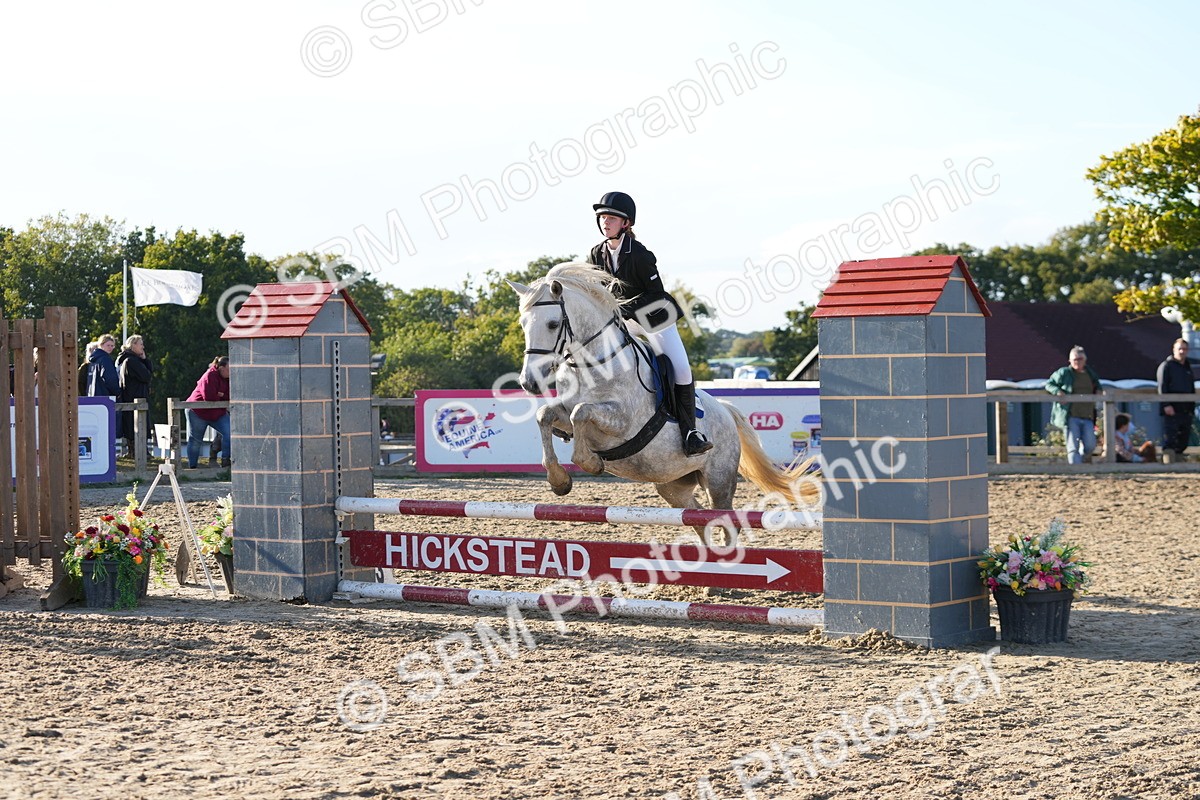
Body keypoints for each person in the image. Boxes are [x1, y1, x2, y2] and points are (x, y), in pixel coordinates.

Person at [585, 191, 713, 456]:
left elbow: (655, 294)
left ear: (626, 223)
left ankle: (691, 433)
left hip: (655, 319)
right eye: (602, 218)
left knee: (681, 370)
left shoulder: (641, 255)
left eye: (611, 218)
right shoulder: (596, 254)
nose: (605, 222)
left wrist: (623, 308)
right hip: (624, 321)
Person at [1046, 345, 1102, 465]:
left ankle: (1081, 461)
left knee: (1090, 445)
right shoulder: (1064, 373)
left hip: (1087, 415)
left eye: (1080, 359)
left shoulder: (1090, 373)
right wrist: (1058, 392)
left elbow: (1097, 385)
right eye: (1074, 359)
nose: (1077, 362)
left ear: (1085, 360)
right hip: (1071, 415)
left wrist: (1098, 391)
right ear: (1070, 361)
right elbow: (1049, 384)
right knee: (1073, 446)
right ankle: (1075, 470)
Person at [186, 356, 231, 469]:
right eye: (229, 368)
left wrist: (221, 394)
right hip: (198, 412)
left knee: (230, 433)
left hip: (217, 412)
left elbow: (231, 395)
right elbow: (209, 396)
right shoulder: (209, 376)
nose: (232, 371)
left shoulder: (229, 378)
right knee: (195, 440)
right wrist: (221, 395)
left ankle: (226, 461)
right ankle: (192, 468)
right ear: (221, 368)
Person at [1157, 337, 1196, 462]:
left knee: (1183, 437)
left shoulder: (1187, 366)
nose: (1182, 352)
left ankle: (1178, 462)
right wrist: (1166, 404)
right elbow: (1162, 386)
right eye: (1179, 349)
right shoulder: (1166, 366)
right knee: (1170, 437)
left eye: (1184, 349)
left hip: (1186, 408)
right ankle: (1169, 463)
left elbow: (1191, 387)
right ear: (1174, 350)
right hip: (1172, 407)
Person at [116, 335, 153, 456]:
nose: (143, 347)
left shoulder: (124, 359)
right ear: (133, 345)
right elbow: (146, 376)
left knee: (131, 424)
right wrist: (145, 360)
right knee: (138, 425)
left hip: (129, 396)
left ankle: (134, 451)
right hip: (136, 397)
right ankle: (139, 452)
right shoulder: (132, 361)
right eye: (140, 344)